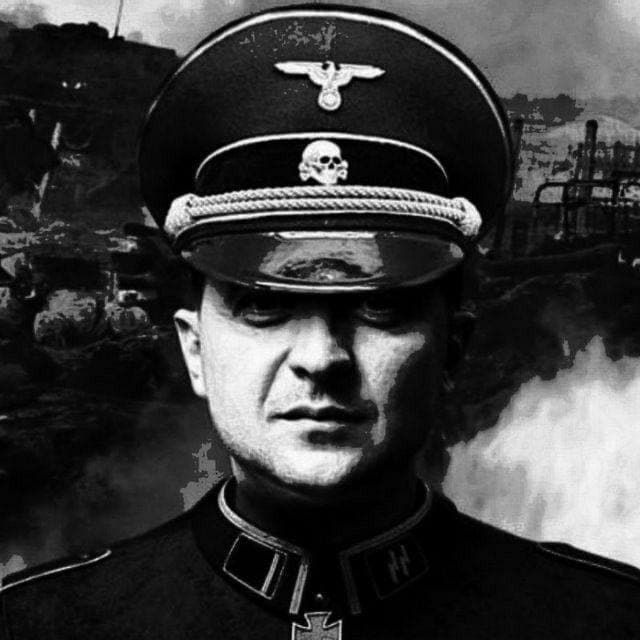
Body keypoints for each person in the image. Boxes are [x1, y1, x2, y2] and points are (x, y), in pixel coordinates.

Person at [1, 5, 638, 639]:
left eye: (379, 305)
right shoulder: (43, 626)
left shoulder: (602, 621)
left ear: (452, 347)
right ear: (194, 350)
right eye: (264, 305)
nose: (322, 357)